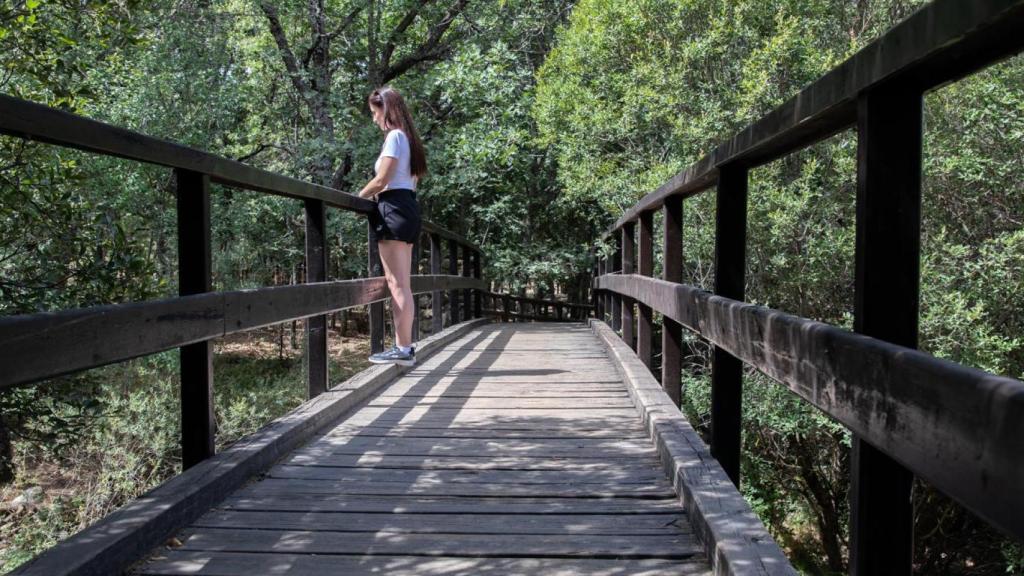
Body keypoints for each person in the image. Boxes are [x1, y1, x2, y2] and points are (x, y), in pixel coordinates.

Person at [358, 86, 426, 366]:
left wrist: (358, 197)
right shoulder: (409, 139)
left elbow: (382, 180)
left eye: (375, 113)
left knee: (397, 284)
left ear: (387, 110)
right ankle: (404, 347)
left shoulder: (395, 137)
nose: (374, 119)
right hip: (407, 206)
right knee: (403, 285)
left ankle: (403, 349)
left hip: (394, 209)